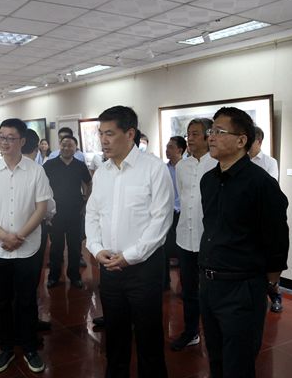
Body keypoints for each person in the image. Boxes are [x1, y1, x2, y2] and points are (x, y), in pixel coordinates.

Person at [199, 107, 289, 378]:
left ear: (241, 140)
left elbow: (277, 237)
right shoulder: (208, 180)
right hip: (209, 284)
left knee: (238, 364)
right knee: (216, 358)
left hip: (242, 287)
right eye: (211, 130)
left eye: (219, 131)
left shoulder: (261, 183)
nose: (211, 137)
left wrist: (270, 281)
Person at [86, 105, 174, 378]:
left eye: (110, 133)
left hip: (143, 268)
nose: (103, 140)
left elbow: (161, 220)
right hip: (109, 266)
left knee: (148, 336)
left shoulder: (153, 169)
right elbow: (92, 214)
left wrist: (130, 256)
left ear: (130, 133)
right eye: (101, 133)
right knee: (115, 334)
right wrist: (96, 249)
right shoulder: (102, 172)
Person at [0, 118, 52, 374]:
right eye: (1, 137)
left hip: (28, 248)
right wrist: (3, 236)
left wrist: (19, 236)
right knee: (2, 301)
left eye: (10, 138)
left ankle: (29, 347)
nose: (4, 142)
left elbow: (41, 208)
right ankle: (6, 347)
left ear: (22, 141)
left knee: (27, 300)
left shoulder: (36, 171)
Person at [172, 118, 217, 351]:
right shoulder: (182, 166)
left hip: (208, 239)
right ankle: (191, 332)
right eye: (188, 134)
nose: (190, 138)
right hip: (184, 237)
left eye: (195, 134)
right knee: (188, 290)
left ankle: (215, 334)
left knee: (210, 292)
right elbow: (183, 197)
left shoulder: (217, 164)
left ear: (209, 136)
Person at [44, 135, 91, 289]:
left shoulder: (80, 165)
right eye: (63, 145)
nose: (66, 148)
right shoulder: (50, 164)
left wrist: (86, 201)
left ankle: (75, 276)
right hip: (55, 212)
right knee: (56, 247)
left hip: (75, 211)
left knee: (75, 246)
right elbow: (42, 185)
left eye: (70, 145)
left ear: (75, 148)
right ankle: (54, 276)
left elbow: (88, 183)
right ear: (59, 146)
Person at [22, 128, 55, 332]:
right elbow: (49, 207)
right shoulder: (37, 170)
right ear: (36, 148)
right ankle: (35, 316)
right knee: (35, 275)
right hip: (35, 229)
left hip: (6, 233)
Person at [248, 125, 283, 312]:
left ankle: (275, 295)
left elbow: (270, 187)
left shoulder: (269, 162)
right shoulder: (241, 161)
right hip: (246, 219)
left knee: (267, 261)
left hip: (263, 218)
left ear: (259, 141)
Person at [163, 136, 186, 289]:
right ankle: (165, 282)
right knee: (164, 247)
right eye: (167, 147)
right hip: (168, 213)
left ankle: (185, 284)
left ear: (180, 150)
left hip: (183, 213)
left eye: (171, 147)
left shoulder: (187, 168)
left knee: (183, 250)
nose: (167, 150)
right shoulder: (163, 169)